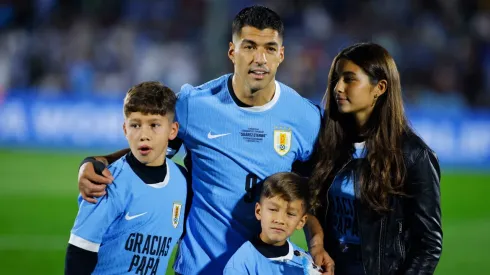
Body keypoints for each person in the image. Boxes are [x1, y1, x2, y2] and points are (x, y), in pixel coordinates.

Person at [76, 5, 334, 275]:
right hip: (198, 268)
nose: (260, 58)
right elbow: (151, 150)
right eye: (249, 47)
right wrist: (98, 162)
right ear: (232, 52)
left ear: (281, 54)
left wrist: (316, 242)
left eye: (270, 48)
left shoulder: (305, 118)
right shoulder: (194, 106)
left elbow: (311, 193)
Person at [309, 42, 443, 274]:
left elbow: (428, 245)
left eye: (349, 79)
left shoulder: (413, 155)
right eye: (336, 79)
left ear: (379, 88)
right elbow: (313, 207)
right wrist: (317, 245)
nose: (338, 88)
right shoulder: (329, 145)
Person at [64, 82, 189, 275]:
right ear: (125, 129)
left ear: (172, 131)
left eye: (154, 125)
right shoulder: (106, 183)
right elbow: (79, 254)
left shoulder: (183, 181)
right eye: (135, 125)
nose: (143, 135)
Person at [224, 172, 323, 275]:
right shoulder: (241, 265)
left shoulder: (305, 261)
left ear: (301, 222)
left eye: (290, 213)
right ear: (258, 211)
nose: (279, 220)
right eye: (273, 209)